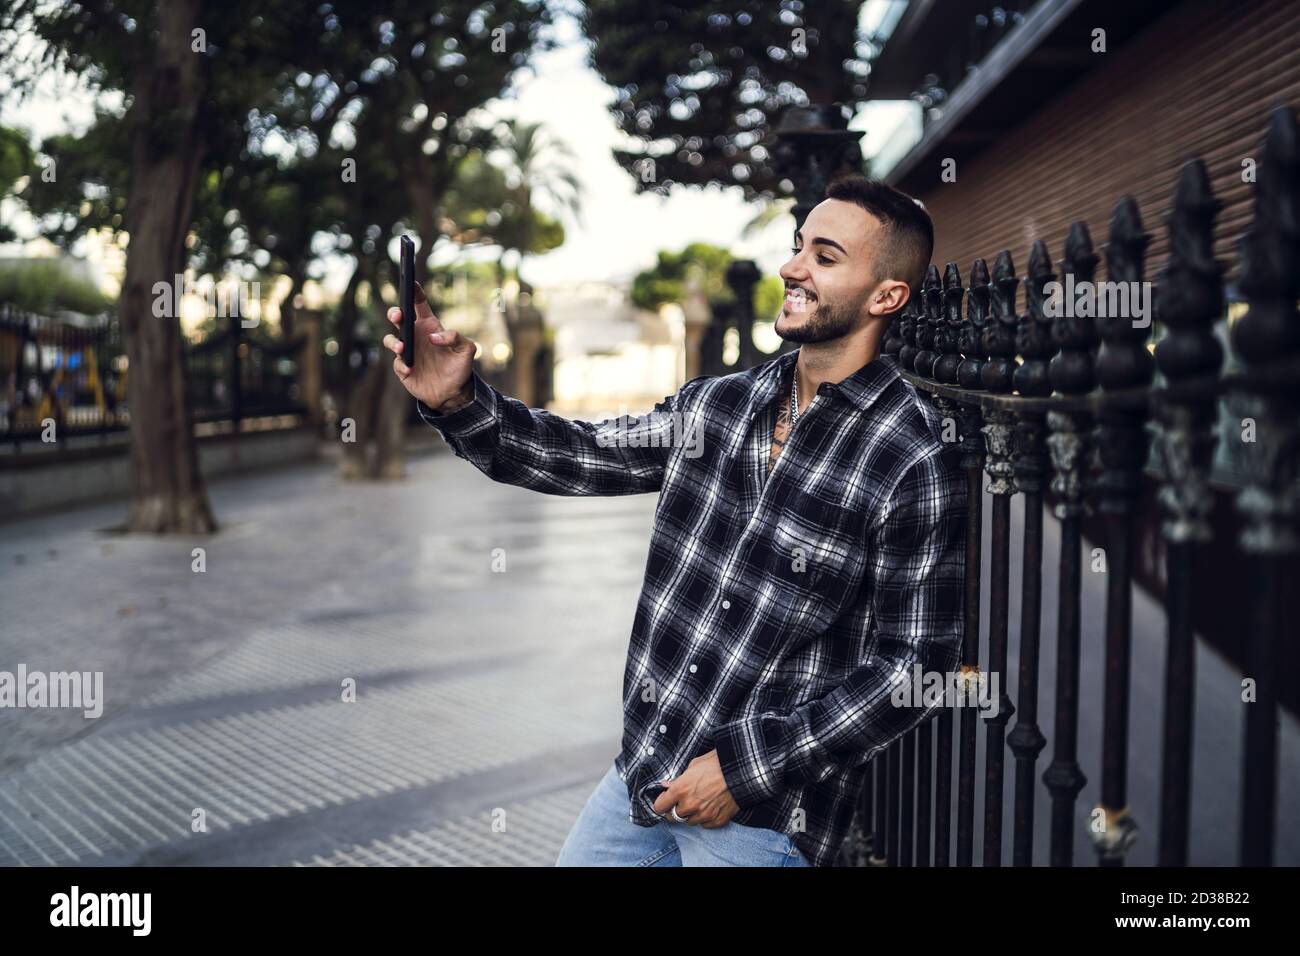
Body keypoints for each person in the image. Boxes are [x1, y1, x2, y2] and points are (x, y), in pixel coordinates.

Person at [382, 175, 967, 867]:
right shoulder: (719, 406)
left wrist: (743, 769)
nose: (792, 267)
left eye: (826, 256)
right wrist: (458, 402)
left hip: (763, 819)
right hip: (644, 771)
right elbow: (578, 455)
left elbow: (914, 670)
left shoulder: (913, 456)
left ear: (886, 296)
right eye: (797, 246)